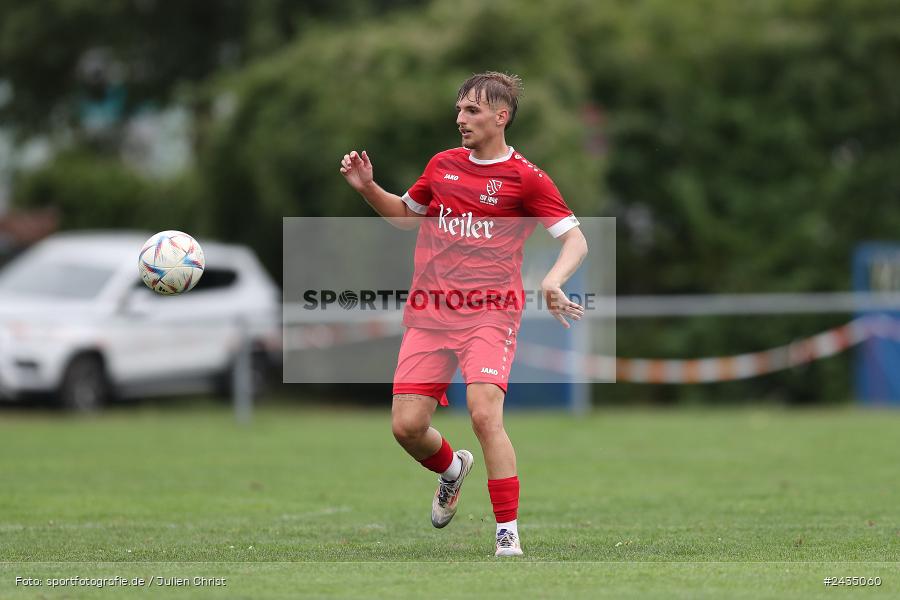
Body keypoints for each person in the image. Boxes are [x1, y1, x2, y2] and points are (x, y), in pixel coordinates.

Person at [340, 71, 588, 557]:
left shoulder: (527, 178)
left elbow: (575, 240)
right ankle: (452, 470)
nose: (460, 118)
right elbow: (405, 218)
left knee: (483, 413)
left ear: (501, 116)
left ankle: (507, 533)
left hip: (490, 314)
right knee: (406, 427)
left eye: (472, 110)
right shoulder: (442, 166)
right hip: (430, 311)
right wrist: (368, 187)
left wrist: (552, 280)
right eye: (459, 109)